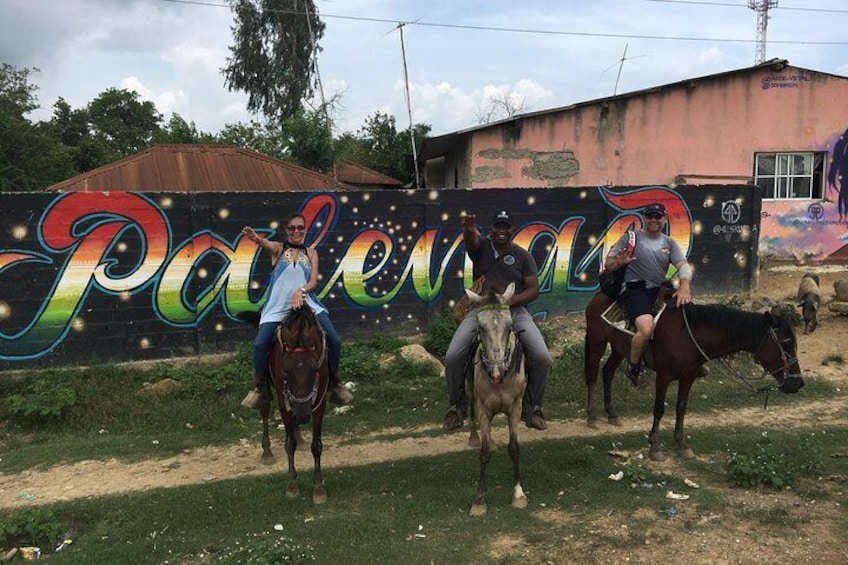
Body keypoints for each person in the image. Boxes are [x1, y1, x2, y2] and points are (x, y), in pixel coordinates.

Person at [442, 210, 553, 432]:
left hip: (514, 311)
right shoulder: (481, 248)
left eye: (506, 227)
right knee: (453, 356)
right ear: (491, 228)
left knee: (543, 357)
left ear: (512, 229)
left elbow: (533, 290)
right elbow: (471, 241)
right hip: (480, 310)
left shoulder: (523, 256)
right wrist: (467, 228)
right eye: (497, 226)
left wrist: (509, 302)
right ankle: (457, 408)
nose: (501, 231)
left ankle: (532, 408)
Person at [240, 213, 352, 409]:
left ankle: (334, 383)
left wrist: (300, 292)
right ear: (287, 230)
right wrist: (257, 239)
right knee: (260, 345)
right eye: (292, 228)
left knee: (335, 340)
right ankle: (259, 388)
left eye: (300, 227)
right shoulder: (279, 249)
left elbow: (313, 282)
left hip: (307, 304)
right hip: (277, 308)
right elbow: (266, 244)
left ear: (305, 229)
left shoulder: (312, 253)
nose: (296, 231)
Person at [604, 202, 692, 387]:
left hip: (658, 290)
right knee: (646, 329)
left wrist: (684, 286)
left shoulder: (669, 242)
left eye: (657, 216)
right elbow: (609, 264)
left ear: (664, 219)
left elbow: (683, 265)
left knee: (687, 318)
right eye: (650, 216)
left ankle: (687, 361)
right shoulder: (631, 238)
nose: (653, 220)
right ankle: (634, 366)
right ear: (644, 218)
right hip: (635, 290)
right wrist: (619, 262)